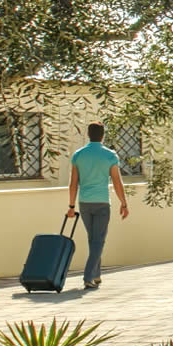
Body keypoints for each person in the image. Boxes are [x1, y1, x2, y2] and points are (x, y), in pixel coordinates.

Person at [66, 123, 128, 291]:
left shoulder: (79, 155)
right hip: (102, 202)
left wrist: (71, 206)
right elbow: (117, 181)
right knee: (98, 240)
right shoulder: (110, 155)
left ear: (88, 134)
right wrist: (123, 203)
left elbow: (73, 184)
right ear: (103, 135)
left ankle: (96, 274)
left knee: (93, 239)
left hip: (84, 203)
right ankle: (88, 277)